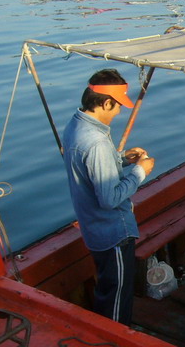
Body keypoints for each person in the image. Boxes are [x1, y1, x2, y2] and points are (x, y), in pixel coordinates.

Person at [62, 68, 155, 326]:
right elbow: (109, 198)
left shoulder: (75, 126)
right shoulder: (96, 142)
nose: (118, 112)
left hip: (93, 229)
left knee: (107, 287)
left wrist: (121, 158)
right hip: (113, 233)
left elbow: (91, 169)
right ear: (105, 102)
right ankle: (114, 343)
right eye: (117, 107)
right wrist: (139, 171)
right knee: (117, 295)